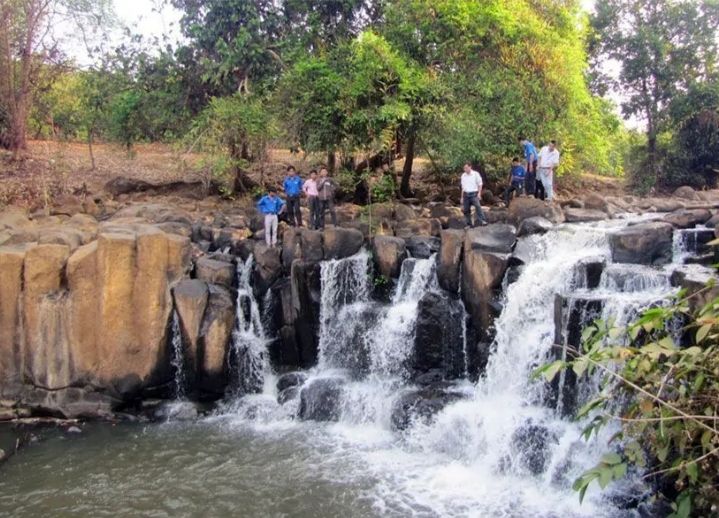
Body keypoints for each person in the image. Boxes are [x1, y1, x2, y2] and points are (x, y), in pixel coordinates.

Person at [460, 162, 488, 228]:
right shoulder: (463, 175)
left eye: (466, 168)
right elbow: (463, 187)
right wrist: (461, 197)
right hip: (466, 194)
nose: (465, 169)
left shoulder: (475, 174)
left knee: (478, 207)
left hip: (474, 193)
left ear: (470, 167)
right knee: (466, 210)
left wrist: (479, 193)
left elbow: (480, 184)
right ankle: (469, 224)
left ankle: (483, 220)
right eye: (464, 168)